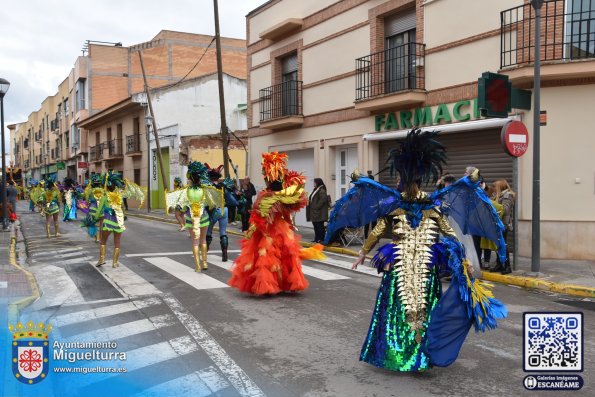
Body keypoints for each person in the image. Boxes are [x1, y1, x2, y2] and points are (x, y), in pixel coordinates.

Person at [347, 129, 506, 372]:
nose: (399, 183)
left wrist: (464, 259)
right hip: (403, 264)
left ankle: (402, 356)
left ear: (408, 179)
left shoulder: (417, 205)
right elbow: (383, 229)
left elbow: (447, 233)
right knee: (408, 309)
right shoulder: (414, 205)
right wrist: (361, 252)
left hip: (418, 265)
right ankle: (416, 356)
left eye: (401, 179)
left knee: (404, 311)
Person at [228, 152, 324, 295]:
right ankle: (286, 283)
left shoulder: (266, 196)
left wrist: (252, 229)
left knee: (266, 257)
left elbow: (258, 213)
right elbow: (291, 208)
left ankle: (267, 285)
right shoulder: (286, 196)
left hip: (268, 230)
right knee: (286, 255)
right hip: (283, 229)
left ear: (268, 179)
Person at [166, 162, 223, 272]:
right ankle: (205, 263)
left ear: (190, 178)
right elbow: (210, 204)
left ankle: (197, 266)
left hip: (191, 219)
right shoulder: (205, 189)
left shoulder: (185, 191)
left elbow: (182, 208)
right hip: (204, 218)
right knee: (203, 241)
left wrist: (182, 210)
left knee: (195, 242)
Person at [89, 172, 145, 268]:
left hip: (108, 222)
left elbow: (98, 211)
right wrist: (124, 216)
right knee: (117, 242)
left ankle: (101, 259)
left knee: (103, 240)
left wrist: (94, 219)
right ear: (115, 186)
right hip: (119, 222)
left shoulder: (104, 197)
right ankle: (115, 263)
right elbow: (122, 208)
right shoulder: (119, 196)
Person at [205, 165, 236, 262]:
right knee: (223, 232)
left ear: (210, 177)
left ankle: (205, 250)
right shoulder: (223, 186)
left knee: (208, 231)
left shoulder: (209, 187)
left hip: (214, 210)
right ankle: (224, 253)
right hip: (224, 210)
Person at [489, 179, 515, 274]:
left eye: (496, 187)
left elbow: (505, 209)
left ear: (500, 187)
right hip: (496, 223)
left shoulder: (507, 196)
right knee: (498, 245)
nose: (494, 189)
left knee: (503, 245)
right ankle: (499, 264)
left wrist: (493, 204)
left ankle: (507, 266)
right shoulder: (497, 195)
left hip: (503, 224)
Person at [480, 185, 503, 269]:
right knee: (487, 245)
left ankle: (489, 262)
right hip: (487, 226)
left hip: (487, 226)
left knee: (488, 245)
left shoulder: (488, 201)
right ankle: (488, 262)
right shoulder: (490, 201)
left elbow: (501, 208)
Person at [307, 178, 329, 243]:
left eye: (314, 182)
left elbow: (323, 200)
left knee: (320, 226)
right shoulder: (316, 190)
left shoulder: (321, 190)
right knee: (316, 226)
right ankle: (316, 238)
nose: (313, 184)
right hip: (315, 212)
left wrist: (316, 207)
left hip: (319, 212)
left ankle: (321, 239)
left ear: (318, 183)